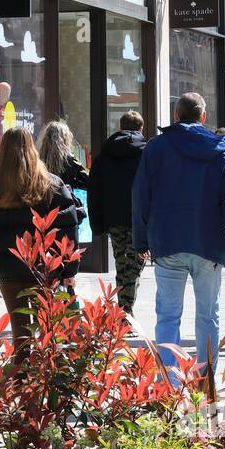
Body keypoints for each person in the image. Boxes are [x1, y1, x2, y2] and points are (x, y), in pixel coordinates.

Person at [132, 92, 225, 375]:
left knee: (167, 315)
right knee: (208, 315)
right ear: (203, 117)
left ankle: (170, 381)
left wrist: (141, 240)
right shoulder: (220, 151)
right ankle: (205, 377)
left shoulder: (156, 148)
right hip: (208, 243)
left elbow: (141, 196)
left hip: (167, 242)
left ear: (176, 117)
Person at [0, 128, 85, 359]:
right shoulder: (51, 185)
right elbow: (68, 230)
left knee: (21, 339)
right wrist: (69, 270)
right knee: (49, 337)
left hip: (8, 272)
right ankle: (46, 385)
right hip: (44, 270)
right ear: (32, 149)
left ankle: (19, 387)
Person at [88, 111, 148, 314]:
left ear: (121, 127)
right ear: (141, 128)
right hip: (138, 218)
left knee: (121, 262)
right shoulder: (146, 153)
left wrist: (97, 222)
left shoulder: (104, 155)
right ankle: (124, 310)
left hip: (114, 218)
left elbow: (94, 191)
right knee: (133, 264)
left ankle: (122, 308)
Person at [37, 120, 88, 190]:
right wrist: (73, 183)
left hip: (43, 199)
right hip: (63, 199)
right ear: (64, 139)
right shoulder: (69, 159)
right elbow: (87, 181)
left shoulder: (39, 159)